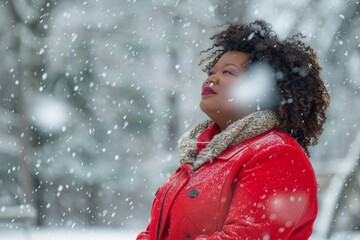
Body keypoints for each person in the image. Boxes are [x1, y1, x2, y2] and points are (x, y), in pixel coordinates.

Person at [137, 20, 330, 240]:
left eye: (228, 72)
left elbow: (243, 236)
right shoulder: (199, 158)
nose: (211, 78)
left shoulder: (278, 154)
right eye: (211, 71)